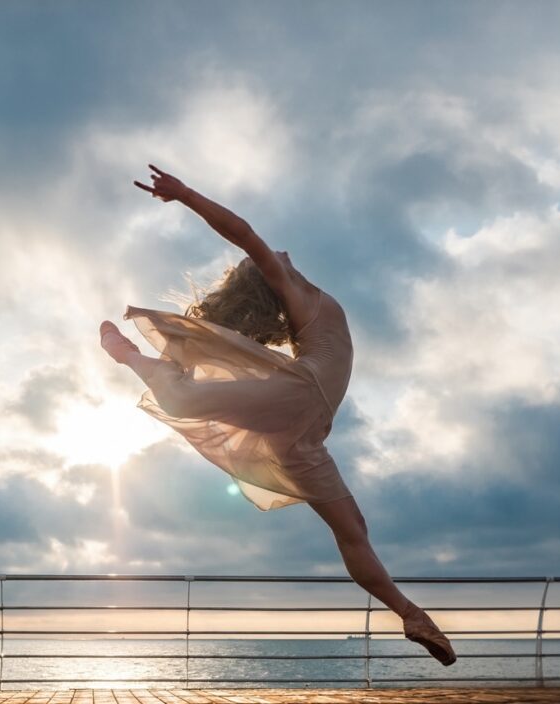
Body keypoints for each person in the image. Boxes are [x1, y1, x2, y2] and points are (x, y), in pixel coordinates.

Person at [99, 164, 456, 667]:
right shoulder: (297, 292)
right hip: (300, 396)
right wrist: (185, 195)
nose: (282, 252)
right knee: (185, 399)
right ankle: (127, 355)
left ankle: (411, 614)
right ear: (267, 276)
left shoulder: (303, 306)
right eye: (273, 259)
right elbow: (243, 232)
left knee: (353, 528)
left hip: (304, 433)